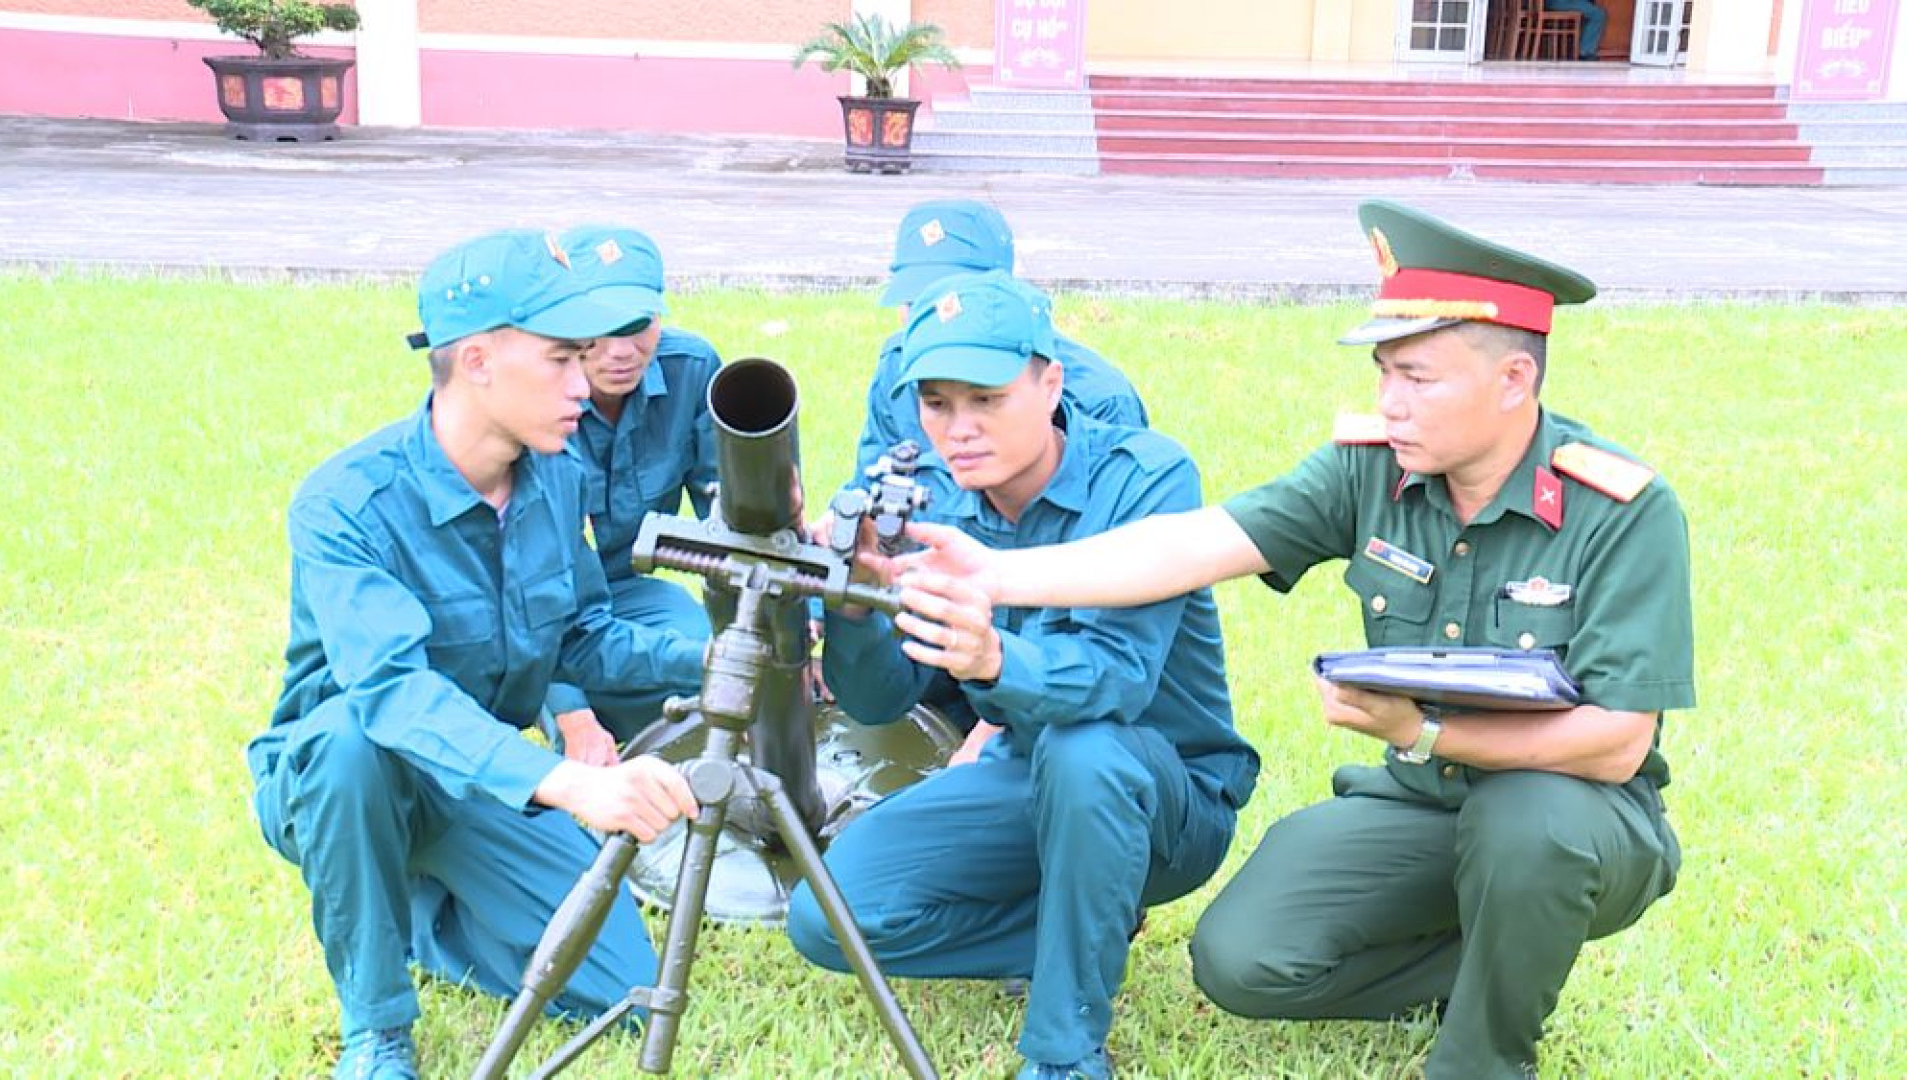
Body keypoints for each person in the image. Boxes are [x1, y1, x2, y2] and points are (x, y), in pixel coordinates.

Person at [887, 201, 1693, 1080]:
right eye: (1385, 373)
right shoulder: (1371, 466)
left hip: (1579, 815)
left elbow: (1617, 743)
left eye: (1418, 379)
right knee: (1243, 960)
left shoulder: (1622, 509)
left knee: (1527, 821)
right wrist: (995, 578)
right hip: (1424, 807)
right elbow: (1191, 545)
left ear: (1512, 382)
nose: (1390, 402)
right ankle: (1502, 948)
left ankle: (1481, 1057)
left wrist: (1421, 732)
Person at [248, 228, 708, 1080]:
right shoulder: (346, 502)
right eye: (563, 359)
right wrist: (574, 783)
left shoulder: (554, 473)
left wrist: (715, 664)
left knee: (613, 982)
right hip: (347, 774)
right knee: (352, 746)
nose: (587, 382)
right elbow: (392, 694)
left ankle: (411, 911)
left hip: (475, 777)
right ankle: (376, 1025)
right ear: (478, 362)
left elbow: (580, 636)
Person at [785, 271, 1259, 1080]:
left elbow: (1117, 681)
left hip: (1166, 791)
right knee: (826, 919)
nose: (957, 428)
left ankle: (1064, 1055)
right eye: (936, 403)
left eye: (986, 399)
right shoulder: (928, 498)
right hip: (1023, 774)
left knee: (1086, 753)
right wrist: (856, 607)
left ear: (1050, 384)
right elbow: (877, 700)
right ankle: (1090, 917)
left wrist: (994, 661)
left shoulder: (1144, 476)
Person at [544, 225, 722, 746]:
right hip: (533, 611)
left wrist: (788, 633)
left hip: (629, 594)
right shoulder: (534, 390)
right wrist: (571, 714)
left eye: (638, 324)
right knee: (559, 708)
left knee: (714, 672)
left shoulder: (691, 369)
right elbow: (521, 585)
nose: (621, 350)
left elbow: (733, 512)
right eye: (600, 327)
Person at [854, 198, 1147, 481]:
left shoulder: (1100, 399)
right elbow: (872, 484)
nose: (938, 325)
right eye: (916, 304)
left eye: (955, 305)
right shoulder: (898, 365)